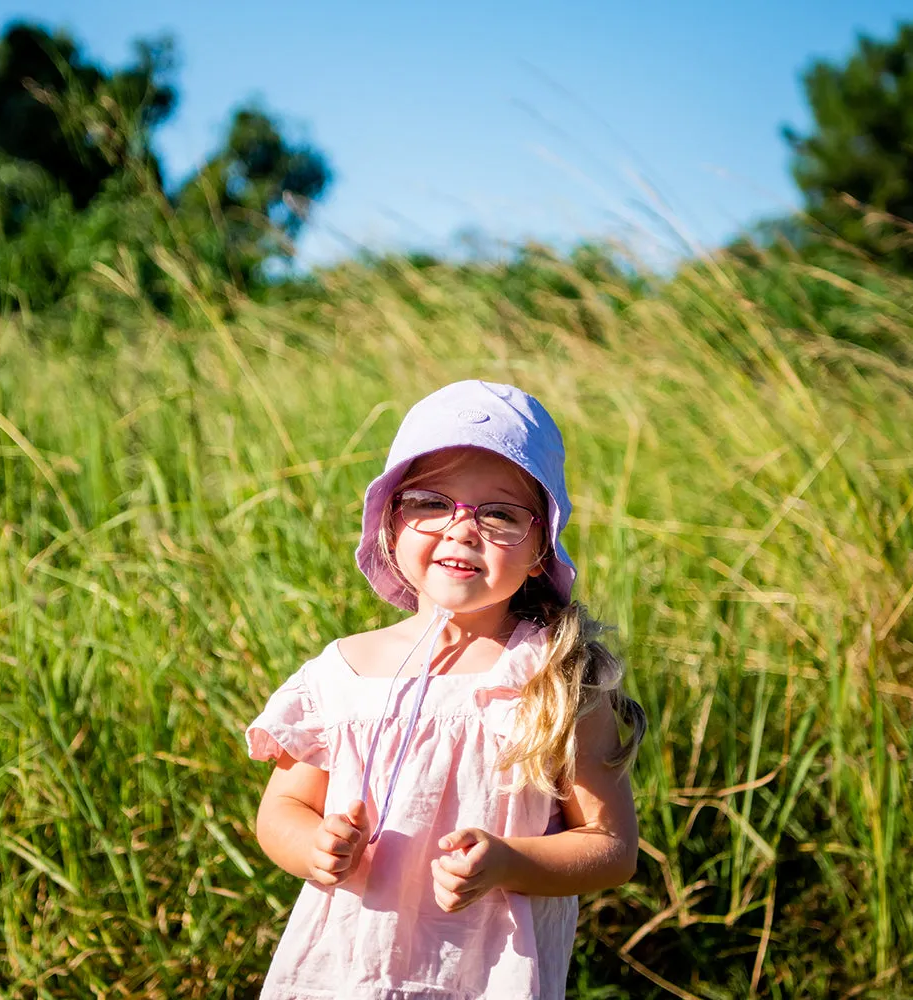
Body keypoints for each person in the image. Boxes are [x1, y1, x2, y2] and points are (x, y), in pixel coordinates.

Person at [245, 380, 646, 999]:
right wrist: (314, 847)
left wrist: (510, 861)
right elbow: (281, 811)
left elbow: (611, 847)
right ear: (391, 522)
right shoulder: (342, 674)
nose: (462, 530)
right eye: (431, 503)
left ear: (542, 547)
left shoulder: (555, 676)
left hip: (488, 976)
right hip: (346, 973)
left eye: (501, 514)